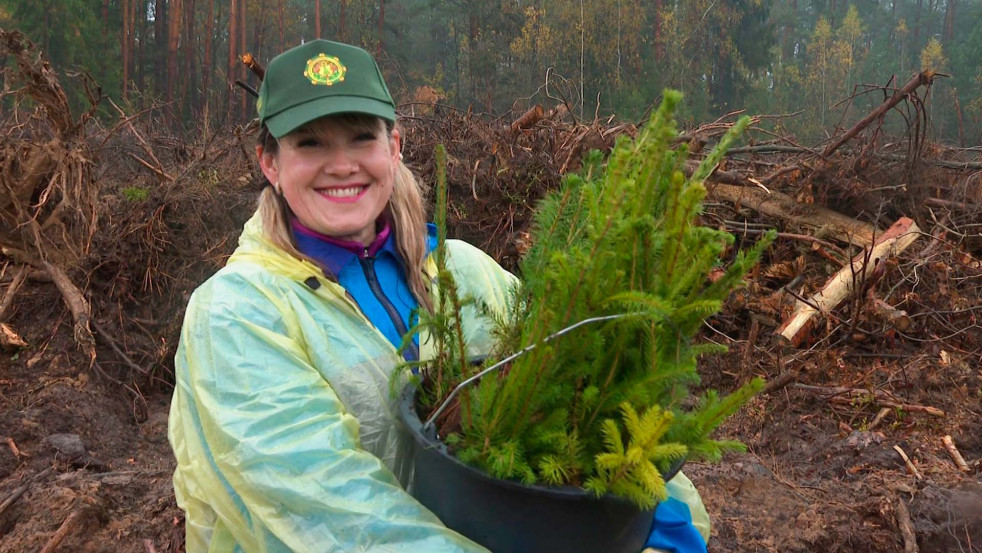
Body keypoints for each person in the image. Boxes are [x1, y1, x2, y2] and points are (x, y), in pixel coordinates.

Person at [167, 39, 711, 553]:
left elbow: (595, 398)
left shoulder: (463, 274)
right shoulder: (238, 314)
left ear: (394, 147)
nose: (342, 165)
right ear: (270, 163)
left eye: (361, 138)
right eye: (310, 143)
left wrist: (656, 521)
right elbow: (330, 510)